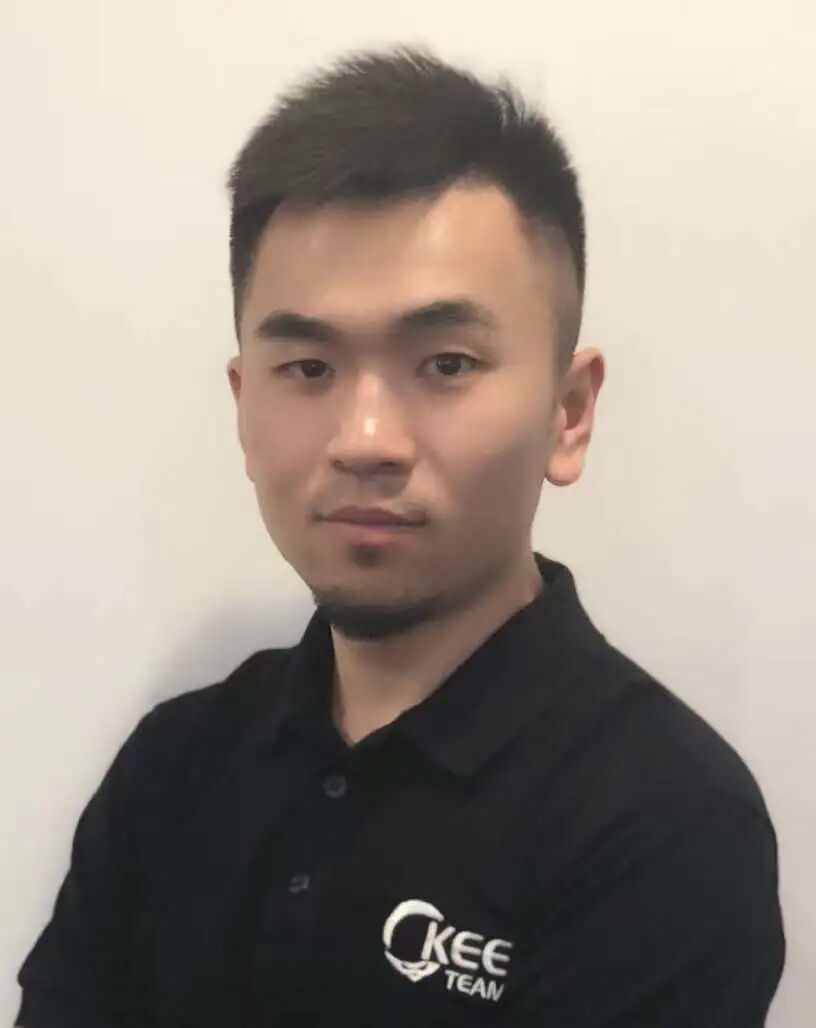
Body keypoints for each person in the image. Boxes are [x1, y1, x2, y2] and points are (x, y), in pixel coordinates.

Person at [15, 44, 785, 1027]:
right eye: (309, 369)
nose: (366, 439)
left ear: (569, 412)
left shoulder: (668, 821)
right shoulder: (175, 762)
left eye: (446, 362)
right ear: (244, 407)